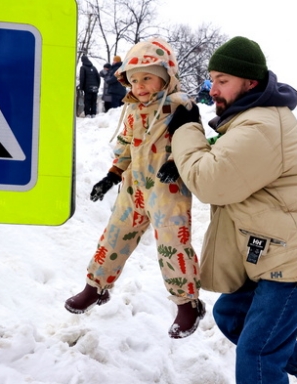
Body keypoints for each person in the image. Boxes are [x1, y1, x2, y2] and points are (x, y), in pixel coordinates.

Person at [166, 36, 297, 383]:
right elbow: (223, 161)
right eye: (213, 80)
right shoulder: (249, 120)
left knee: (257, 351)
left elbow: (212, 182)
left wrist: (185, 130)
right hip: (277, 250)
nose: (215, 88)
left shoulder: (261, 126)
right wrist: (184, 158)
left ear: (250, 83)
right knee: (232, 317)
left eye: (223, 80)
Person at [65, 37, 205, 339]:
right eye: (134, 80)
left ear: (166, 76)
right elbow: (127, 147)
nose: (139, 86)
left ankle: (187, 303)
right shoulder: (131, 110)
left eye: (147, 78)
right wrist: (112, 176)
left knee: (172, 245)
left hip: (167, 189)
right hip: (133, 188)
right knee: (114, 236)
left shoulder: (181, 106)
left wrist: (178, 163)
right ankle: (95, 287)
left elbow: (194, 142)